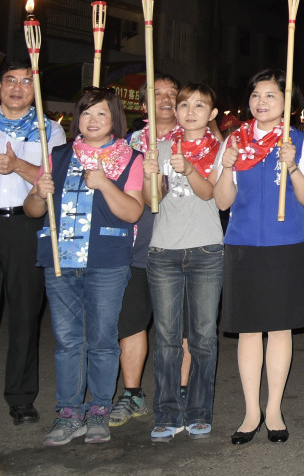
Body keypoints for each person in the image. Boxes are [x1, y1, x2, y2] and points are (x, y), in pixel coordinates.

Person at [27, 88, 144, 445]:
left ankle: (99, 411)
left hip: (106, 262)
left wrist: (105, 183)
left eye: (101, 114)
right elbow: (34, 212)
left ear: (114, 121)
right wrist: (37, 192)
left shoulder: (130, 159)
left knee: (104, 341)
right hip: (61, 260)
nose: (92, 121)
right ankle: (68, 412)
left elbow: (133, 211)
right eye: (86, 113)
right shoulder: (59, 154)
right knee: (66, 341)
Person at [212, 68, 304, 445]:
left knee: (279, 328)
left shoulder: (299, 142)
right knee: (247, 330)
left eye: (271, 96)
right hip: (242, 244)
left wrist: (291, 166)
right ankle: (250, 411)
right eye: (256, 95)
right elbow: (223, 200)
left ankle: (273, 408)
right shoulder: (234, 141)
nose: (261, 102)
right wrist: (226, 168)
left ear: (285, 103)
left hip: (285, 244)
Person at [142, 83, 223, 441]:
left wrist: (189, 167)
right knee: (166, 338)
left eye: (200, 105)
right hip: (164, 251)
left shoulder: (221, 150)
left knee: (204, 337)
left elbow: (212, 194)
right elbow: (152, 201)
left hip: (206, 250)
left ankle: (199, 410)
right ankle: (167, 411)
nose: (190, 111)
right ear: (175, 111)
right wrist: (150, 174)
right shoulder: (158, 148)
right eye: (184, 105)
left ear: (212, 114)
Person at [110, 73, 180, 427]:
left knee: (179, 326)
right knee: (132, 321)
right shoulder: (127, 144)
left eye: (172, 93)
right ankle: (132, 392)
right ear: (143, 102)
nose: (166, 99)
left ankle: (179, 392)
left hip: (182, 244)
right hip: (138, 245)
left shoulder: (194, 138)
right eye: (158, 93)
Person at [0, 58, 66, 426]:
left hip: (26, 225)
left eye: (26, 82)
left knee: (25, 314)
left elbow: (51, 177)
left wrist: (17, 167)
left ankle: (21, 397)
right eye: (10, 79)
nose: (17, 87)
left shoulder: (49, 130)